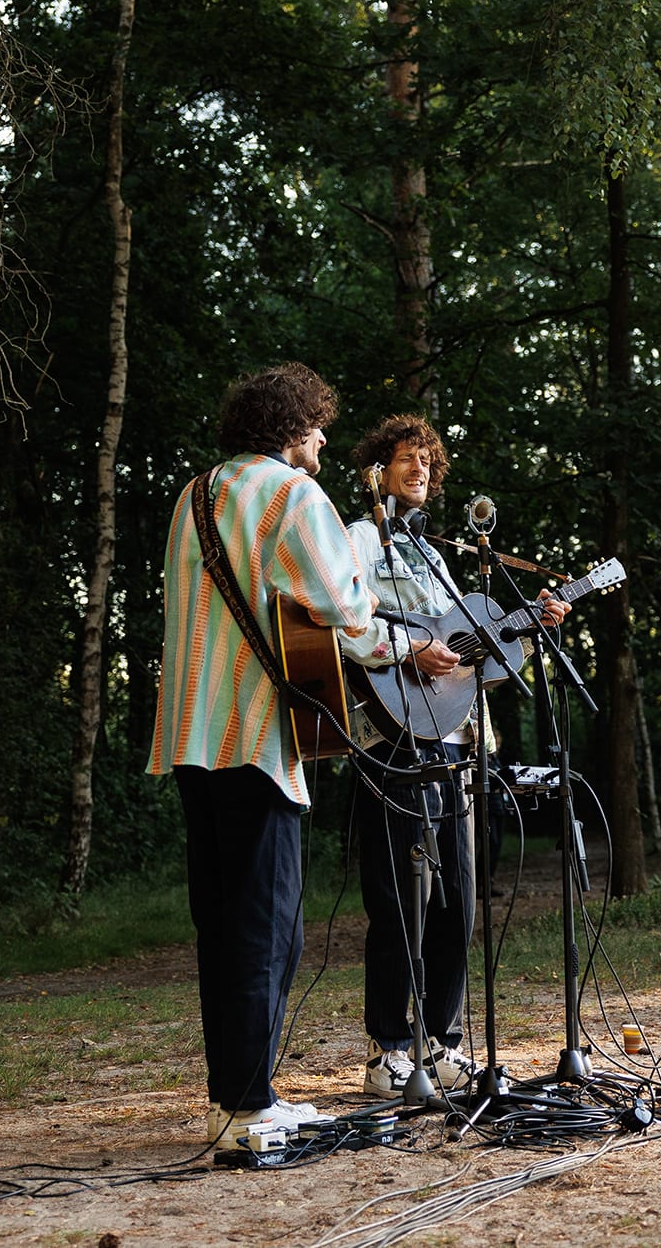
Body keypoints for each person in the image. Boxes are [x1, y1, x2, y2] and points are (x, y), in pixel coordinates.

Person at [148, 363, 394, 1149]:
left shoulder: (191, 497)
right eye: (317, 424)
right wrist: (393, 638)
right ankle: (250, 1107)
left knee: (220, 922)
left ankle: (235, 1096)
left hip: (191, 733)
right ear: (290, 428)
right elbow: (346, 610)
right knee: (267, 926)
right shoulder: (293, 494)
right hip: (255, 737)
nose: (323, 436)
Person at [343, 414, 567, 1097]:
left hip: (460, 745)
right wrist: (409, 649)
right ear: (377, 469)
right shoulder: (354, 541)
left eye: (427, 463)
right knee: (400, 897)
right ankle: (389, 1050)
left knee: (458, 900)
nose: (419, 471)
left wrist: (533, 620)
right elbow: (341, 618)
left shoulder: (436, 557)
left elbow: (474, 654)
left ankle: (442, 1042)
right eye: (406, 459)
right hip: (392, 738)